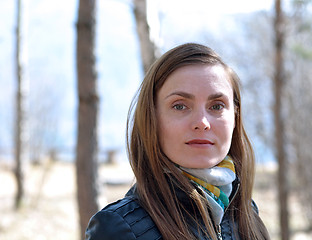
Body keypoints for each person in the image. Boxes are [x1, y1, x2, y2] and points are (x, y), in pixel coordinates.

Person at [85, 43, 270, 240]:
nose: (202, 123)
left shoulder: (246, 213)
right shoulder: (116, 229)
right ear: (152, 119)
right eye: (180, 106)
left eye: (216, 106)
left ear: (235, 117)